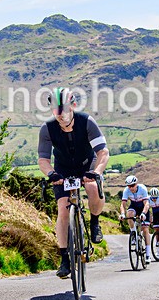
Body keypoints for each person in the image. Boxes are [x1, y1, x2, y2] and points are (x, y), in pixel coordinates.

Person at [38, 87, 109, 278]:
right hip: (63, 169)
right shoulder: (47, 129)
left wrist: (96, 172)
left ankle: (95, 223)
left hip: (87, 164)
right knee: (63, 209)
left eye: (64, 111)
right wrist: (51, 173)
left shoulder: (87, 122)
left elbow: (103, 152)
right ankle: (64, 259)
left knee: (93, 188)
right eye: (56, 112)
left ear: (73, 106)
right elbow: (43, 159)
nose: (60, 116)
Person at [119, 175, 151, 263]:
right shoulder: (126, 191)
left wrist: (144, 213)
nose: (131, 188)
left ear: (136, 184)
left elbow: (147, 203)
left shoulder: (142, 189)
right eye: (129, 186)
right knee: (129, 214)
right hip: (134, 205)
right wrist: (122, 214)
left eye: (132, 185)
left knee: (145, 230)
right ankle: (133, 233)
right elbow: (123, 204)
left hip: (143, 207)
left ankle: (148, 254)